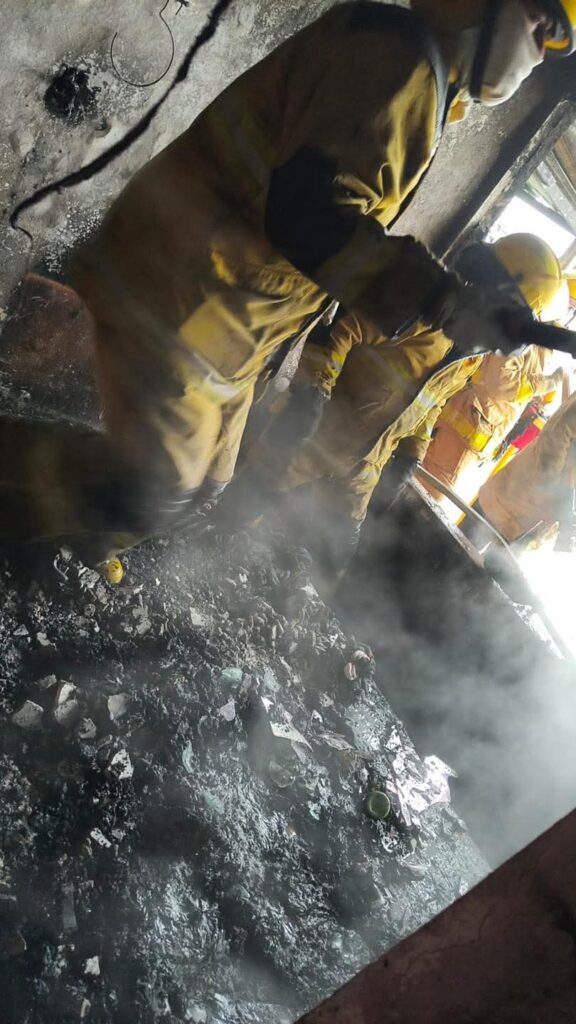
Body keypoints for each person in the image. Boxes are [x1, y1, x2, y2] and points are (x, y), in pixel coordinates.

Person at [1, 0, 574, 564]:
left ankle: (72, 522)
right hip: (182, 283)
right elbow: (309, 212)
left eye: (556, 35)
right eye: (541, 17)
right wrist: (439, 299)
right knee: (149, 490)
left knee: (202, 486)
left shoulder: (423, 86)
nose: (544, 44)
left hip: (227, 319)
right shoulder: (399, 63)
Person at [421, 235, 568, 521]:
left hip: (479, 435)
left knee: (438, 503)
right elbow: (501, 384)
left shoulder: (536, 339)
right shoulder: (516, 328)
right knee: (429, 499)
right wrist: (547, 383)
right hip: (468, 428)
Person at [464, 389, 576, 552]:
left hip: (528, 523)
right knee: (451, 553)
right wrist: (556, 491)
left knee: (482, 573)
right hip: (510, 499)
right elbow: (555, 434)